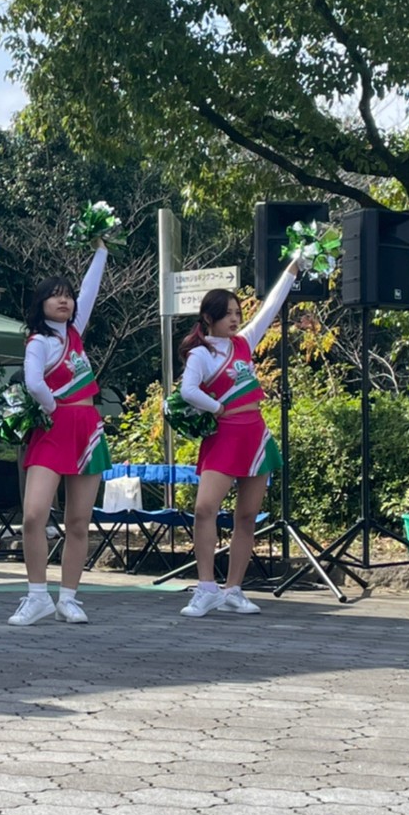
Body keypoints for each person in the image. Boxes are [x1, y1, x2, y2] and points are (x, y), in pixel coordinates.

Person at [176, 254, 301, 617]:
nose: (234, 318)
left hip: (255, 437)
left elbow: (271, 306)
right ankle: (206, 588)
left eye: (236, 312)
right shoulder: (201, 354)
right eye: (227, 313)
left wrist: (292, 269)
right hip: (224, 437)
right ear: (208, 317)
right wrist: (217, 408)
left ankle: (233, 589)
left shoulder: (244, 343)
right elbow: (187, 391)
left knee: (247, 516)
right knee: (205, 509)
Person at [8, 244, 111, 626]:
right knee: (34, 515)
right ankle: (37, 595)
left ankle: (68, 597)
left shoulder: (75, 334)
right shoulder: (39, 342)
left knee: (79, 521)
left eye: (67, 295)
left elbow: (91, 289)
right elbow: (34, 383)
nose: (64, 300)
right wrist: (53, 409)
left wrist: (101, 249)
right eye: (55, 295)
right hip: (53, 429)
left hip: (87, 429)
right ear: (41, 305)